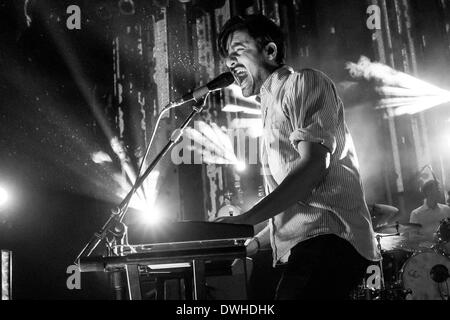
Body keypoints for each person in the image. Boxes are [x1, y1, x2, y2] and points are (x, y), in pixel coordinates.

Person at [214, 14, 379, 300]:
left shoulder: (302, 82)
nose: (230, 62)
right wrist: (250, 244)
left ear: (270, 51)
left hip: (330, 238)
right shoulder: (268, 113)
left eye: (238, 51)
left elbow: (315, 164)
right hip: (306, 245)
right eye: (227, 57)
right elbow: (296, 207)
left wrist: (246, 219)